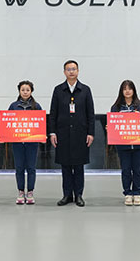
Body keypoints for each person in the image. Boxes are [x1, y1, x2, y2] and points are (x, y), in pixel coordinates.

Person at [49, 60, 95, 207]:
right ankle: (67, 195)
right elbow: (53, 113)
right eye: (68, 69)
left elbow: (90, 113)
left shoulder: (85, 90)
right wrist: (52, 132)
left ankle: (79, 195)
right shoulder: (58, 90)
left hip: (80, 134)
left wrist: (91, 133)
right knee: (65, 166)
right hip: (62, 134)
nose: (71, 72)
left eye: (74, 69)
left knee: (79, 166)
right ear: (64, 72)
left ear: (78, 71)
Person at [110, 80, 140, 206]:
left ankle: (137, 193)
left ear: (134, 91)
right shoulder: (116, 108)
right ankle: (127, 193)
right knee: (125, 170)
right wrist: (109, 127)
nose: (127, 91)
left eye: (129, 88)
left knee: (137, 170)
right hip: (122, 145)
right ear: (121, 91)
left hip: (138, 145)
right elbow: (112, 125)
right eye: (125, 89)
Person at [8, 80, 42, 205]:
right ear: (19, 91)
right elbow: (8, 123)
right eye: (23, 90)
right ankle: (21, 192)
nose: (25, 92)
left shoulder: (36, 106)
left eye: (28, 90)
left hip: (32, 143)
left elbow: (41, 124)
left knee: (31, 168)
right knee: (19, 167)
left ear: (31, 91)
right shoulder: (13, 106)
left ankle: (30, 192)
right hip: (17, 143)